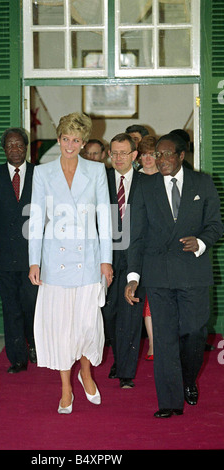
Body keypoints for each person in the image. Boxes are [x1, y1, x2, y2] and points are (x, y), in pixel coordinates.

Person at [125, 133, 223, 418]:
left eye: (168, 154)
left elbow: (216, 225)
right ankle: (169, 401)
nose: (161, 159)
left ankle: (188, 378)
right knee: (165, 338)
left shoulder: (203, 183)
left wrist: (202, 242)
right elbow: (137, 235)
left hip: (194, 272)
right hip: (159, 275)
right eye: (158, 154)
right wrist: (133, 276)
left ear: (182, 156)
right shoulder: (145, 187)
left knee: (194, 333)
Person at [28, 112, 113, 414]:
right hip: (55, 260)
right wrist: (34, 261)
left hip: (89, 260)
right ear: (60, 137)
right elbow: (36, 219)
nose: (70, 144)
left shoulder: (97, 171)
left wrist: (106, 260)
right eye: (66, 138)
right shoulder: (42, 172)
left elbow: (105, 217)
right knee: (63, 327)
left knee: (88, 325)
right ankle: (66, 388)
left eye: (76, 140)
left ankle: (86, 372)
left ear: (84, 142)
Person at [0, 127, 38, 373]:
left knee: (32, 305)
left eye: (19, 145)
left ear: (26, 147)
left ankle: (35, 344)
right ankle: (17, 358)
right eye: (10, 145)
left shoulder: (39, 174)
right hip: (2, 254)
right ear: (4, 149)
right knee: (10, 307)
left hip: (33, 256)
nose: (15, 149)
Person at [103, 132, 146, 389]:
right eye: (114, 153)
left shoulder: (146, 183)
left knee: (130, 314)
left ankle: (126, 372)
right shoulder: (101, 181)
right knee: (108, 313)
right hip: (106, 257)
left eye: (124, 153)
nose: (118, 158)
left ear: (134, 155)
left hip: (136, 256)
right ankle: (119, 359)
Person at [137, 135, 159, 360]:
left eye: (152, 154)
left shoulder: (167, 178)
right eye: (143, 154)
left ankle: (157, 343)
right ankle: (152, 343)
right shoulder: (135, 180)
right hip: (140, 246)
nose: (148, 158)